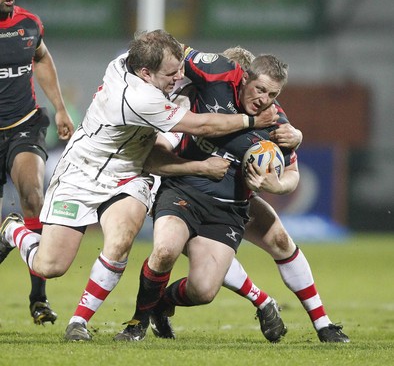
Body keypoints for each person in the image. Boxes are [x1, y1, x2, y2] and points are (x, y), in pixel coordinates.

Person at [0, 29, 279, 341]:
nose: (179, 77)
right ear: (146, 73)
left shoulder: (135, 62)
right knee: (50, 265)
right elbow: (202, 125)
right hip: (82, 173)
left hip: (130, 171)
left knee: (120, 241)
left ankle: (78, 321)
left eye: (180, 69)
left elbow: (191, 61)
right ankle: (12, 230)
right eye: (171, 73)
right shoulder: (138, 98)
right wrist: (253, 122)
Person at [115, 46, 349, 343]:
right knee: (164, 250)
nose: (263, 99)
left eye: (272, 94)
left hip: (232, 207)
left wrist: (278, 185)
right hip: (183, 193)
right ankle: (137, 323)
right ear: (242, 79)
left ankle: (323, 324)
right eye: (260, 89)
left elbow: (292, 176)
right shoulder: (196, 97)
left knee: (205, 289)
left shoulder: (277, 124)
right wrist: (132, 63)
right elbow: (156, 154)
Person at [0, 0, 74, 325]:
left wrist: (59, 107)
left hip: (23, 126)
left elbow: (41, 57)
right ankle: (7, 234)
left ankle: (38, 298)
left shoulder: (29, 24)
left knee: (33, 193)